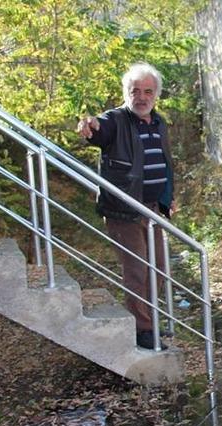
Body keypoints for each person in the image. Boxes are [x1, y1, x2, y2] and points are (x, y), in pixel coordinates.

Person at [77, 62, 175, 350]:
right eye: (135, 91)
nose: (142, 97)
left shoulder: (158, 123)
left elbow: (165, 163)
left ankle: (149, 320)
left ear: (156, 94)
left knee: (158, 267)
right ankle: (142, 330)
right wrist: (90, 125)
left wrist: (168, 197)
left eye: (148, 91)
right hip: (124, 210)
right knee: (137, 269)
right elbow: (99, 129)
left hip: (152, 209)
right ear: (126, 93)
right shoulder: (116, 120)